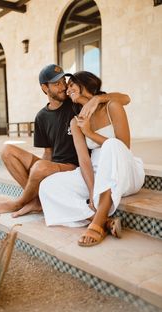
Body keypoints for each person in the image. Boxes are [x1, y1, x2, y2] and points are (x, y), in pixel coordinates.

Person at [0, 64, 130, 217]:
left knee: (39, 168)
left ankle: (21, 202)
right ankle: (37, 200)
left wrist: (97, 99)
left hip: (73, 165)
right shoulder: (41, 117)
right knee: (7, 150)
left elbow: (124, 98)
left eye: (64, 81)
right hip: (54, 163)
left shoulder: (74, 102)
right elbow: (48, 152)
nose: (64, 87)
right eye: (57, 84)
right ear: (45, 88)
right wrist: (43, 170)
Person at [39, 71, 145, 246]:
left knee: (111, 145)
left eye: (72, 84)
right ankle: (101, 221)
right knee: (48, 186)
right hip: (96, 173)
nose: (67, 89)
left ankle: (97, 222)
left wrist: (89, 131)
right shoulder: (75, 121)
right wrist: (91, 191)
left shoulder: (111, 107)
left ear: (86, 84)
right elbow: (84, 160)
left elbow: (123, 147)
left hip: (124, 171)